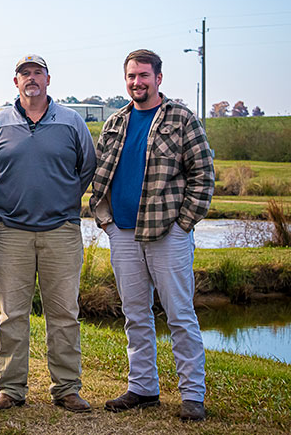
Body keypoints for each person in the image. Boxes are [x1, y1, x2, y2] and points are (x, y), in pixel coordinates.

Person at [90, 49, 214, 422]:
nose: (137, 82)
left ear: (158, 78)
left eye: (144, 75)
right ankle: (143, 388)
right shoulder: (115, 123)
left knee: (179, 315)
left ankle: (192, 394)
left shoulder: (181, 119)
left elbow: (203, 175)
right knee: (135, 314)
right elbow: (99, 174)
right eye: (131, 76)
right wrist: (106, 222)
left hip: (167, 235)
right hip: (123, 234)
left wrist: (183, 224)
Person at [0, 55, 96, 413]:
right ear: (15, 82)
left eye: (37, 73)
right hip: (12, 231)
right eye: (24, 74)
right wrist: (13, 202)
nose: (31, 79)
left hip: (61, 230)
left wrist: (62, 201)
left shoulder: (72, 122)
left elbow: (86, 167)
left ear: (48, 79)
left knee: (64, 313)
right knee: (11, 314)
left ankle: (66, 388)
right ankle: (11, 389)